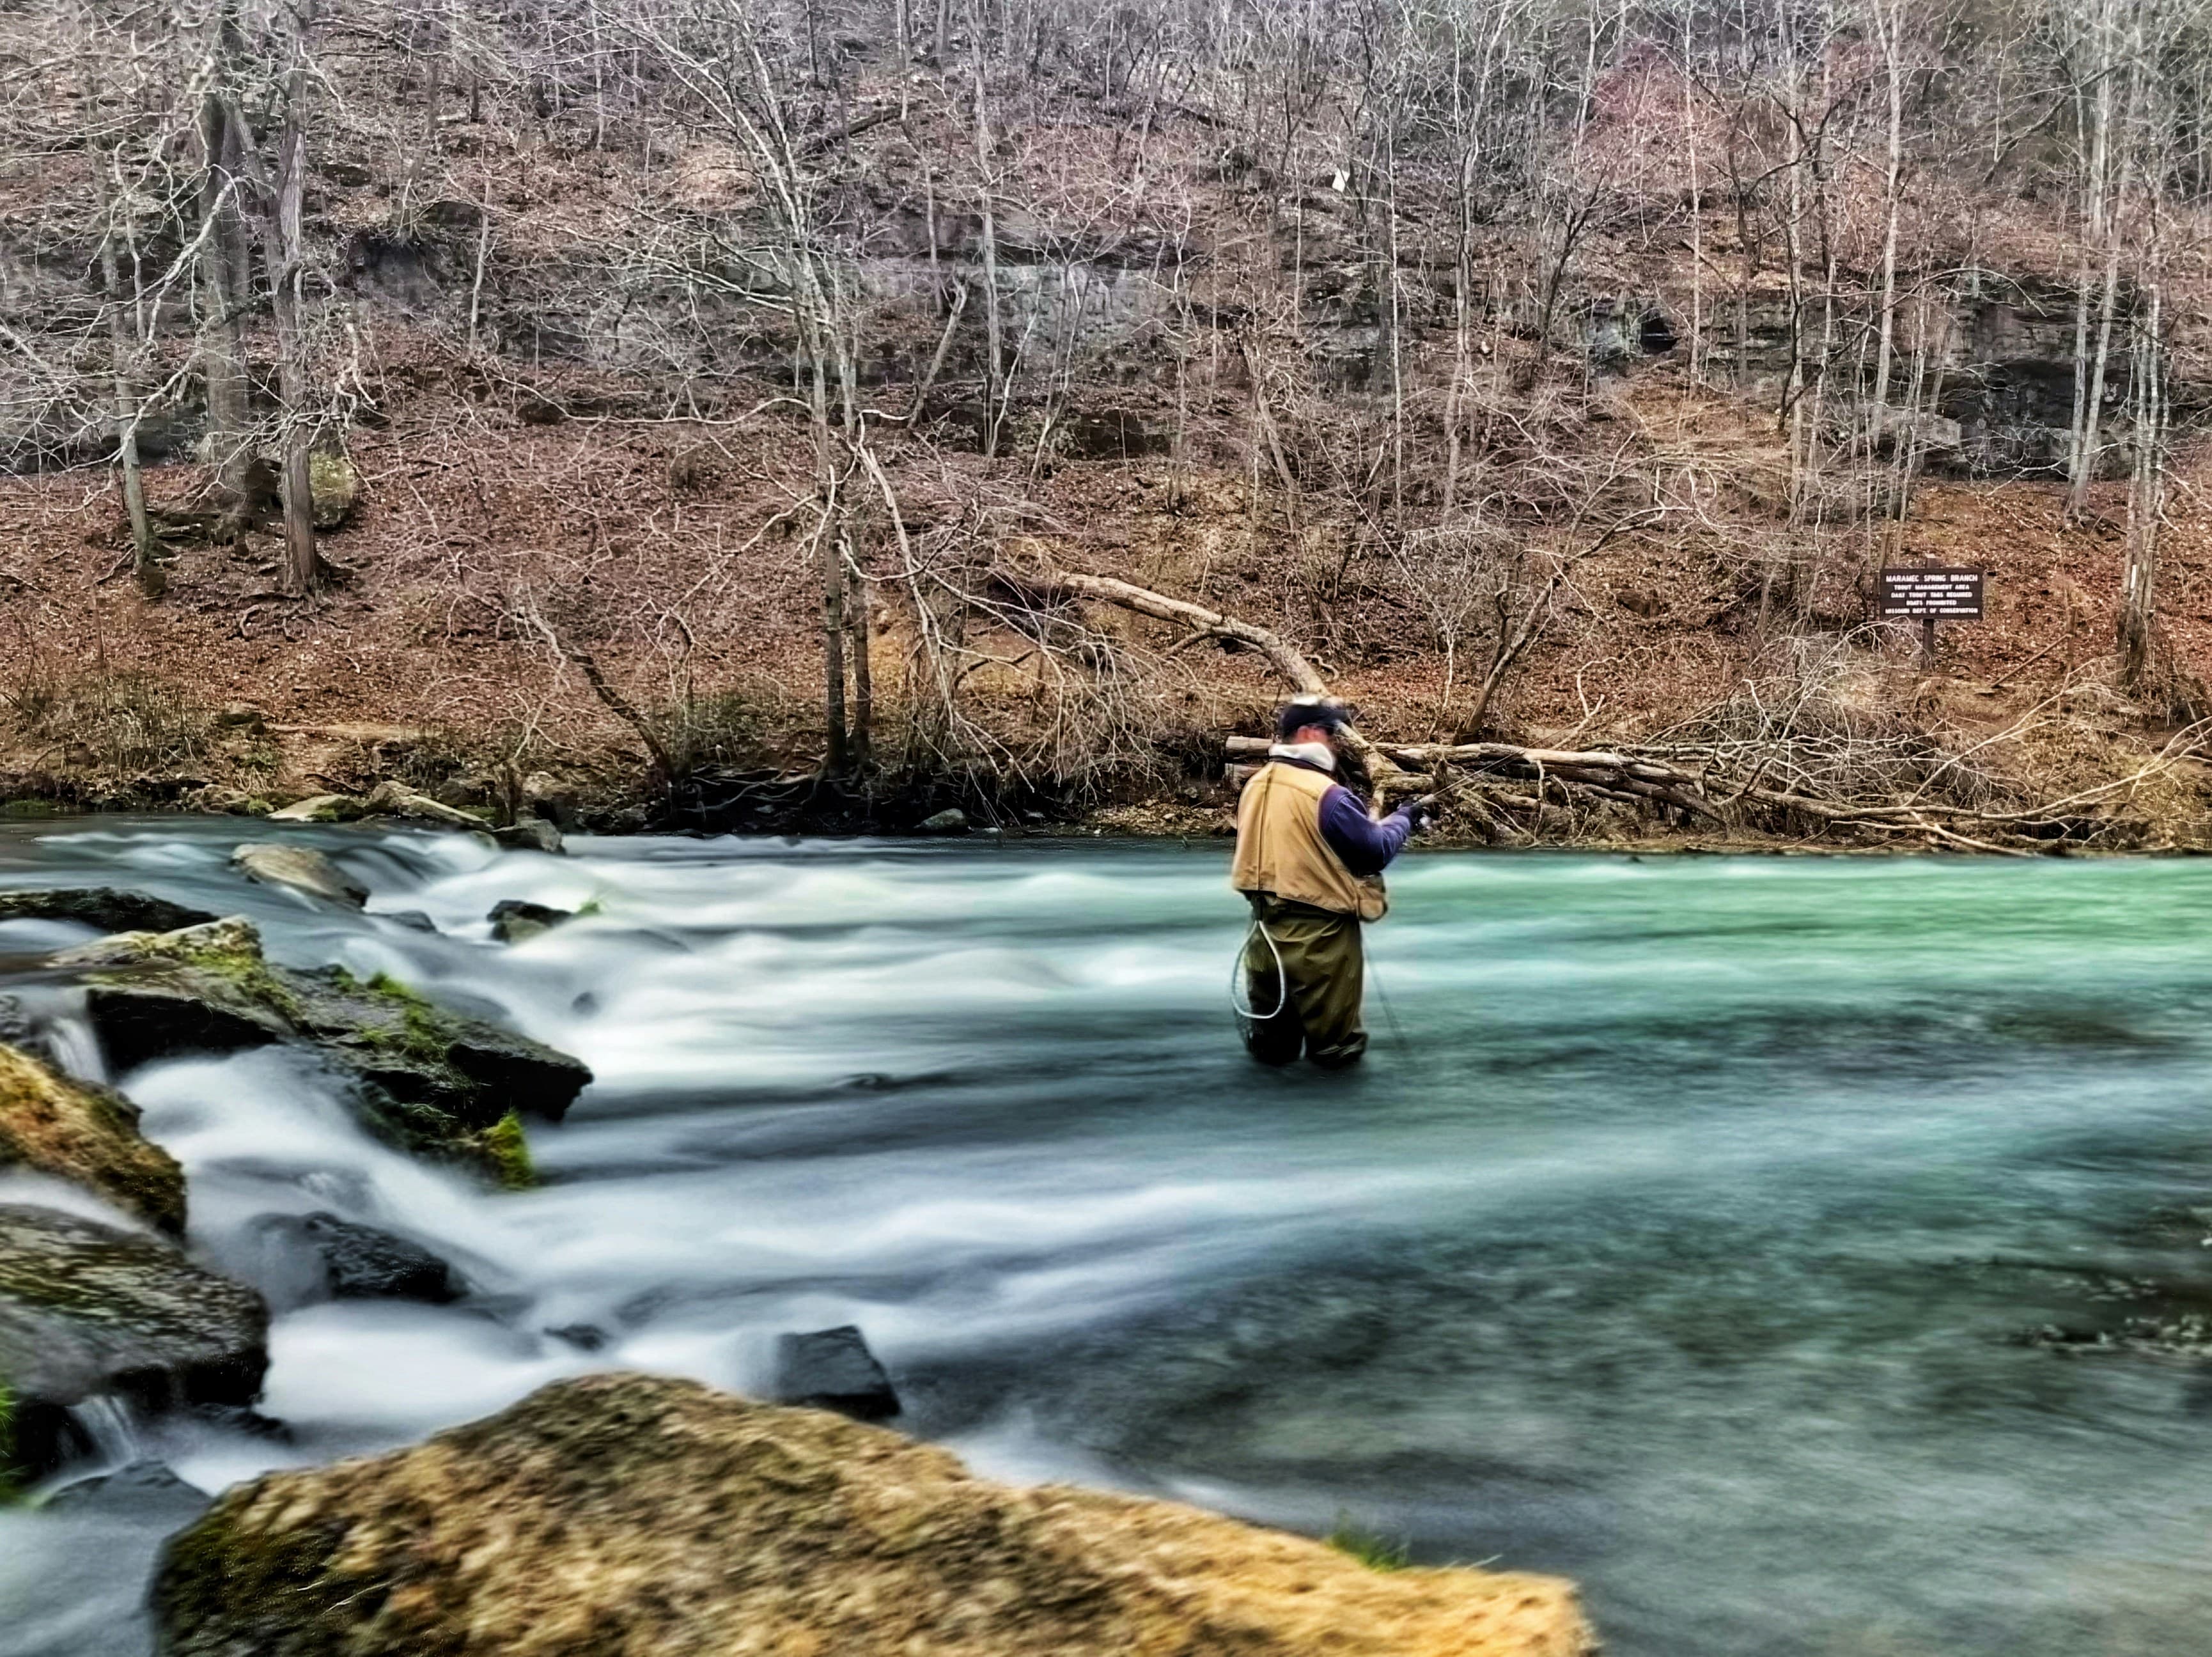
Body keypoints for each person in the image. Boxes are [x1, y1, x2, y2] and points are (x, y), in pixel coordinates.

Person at [1229, 696, 1432, 1068]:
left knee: (1273, 1052)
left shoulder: (1255, 785)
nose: (1336, 743)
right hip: (1320, 941)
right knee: (1335, 1053)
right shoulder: (1326, 795)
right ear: (1309, 733)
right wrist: (1405, 819)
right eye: (1331, 733)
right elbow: (1373, 852)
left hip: (1261, 935)